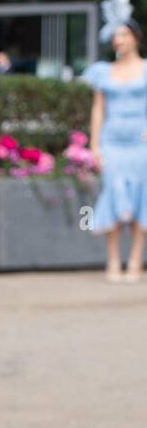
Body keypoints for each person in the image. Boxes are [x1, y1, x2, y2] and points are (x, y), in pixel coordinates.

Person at [80, 20, 147, 282]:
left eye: (124, 34)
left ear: (136, 38)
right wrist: (95, 144)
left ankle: (135, 258)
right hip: (113, 141)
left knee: (142, 195)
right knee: (114, 192)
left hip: (141, 142)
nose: (118, 39)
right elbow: (98, 109)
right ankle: (112, 258)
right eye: (115, 35)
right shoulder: (103, 72)